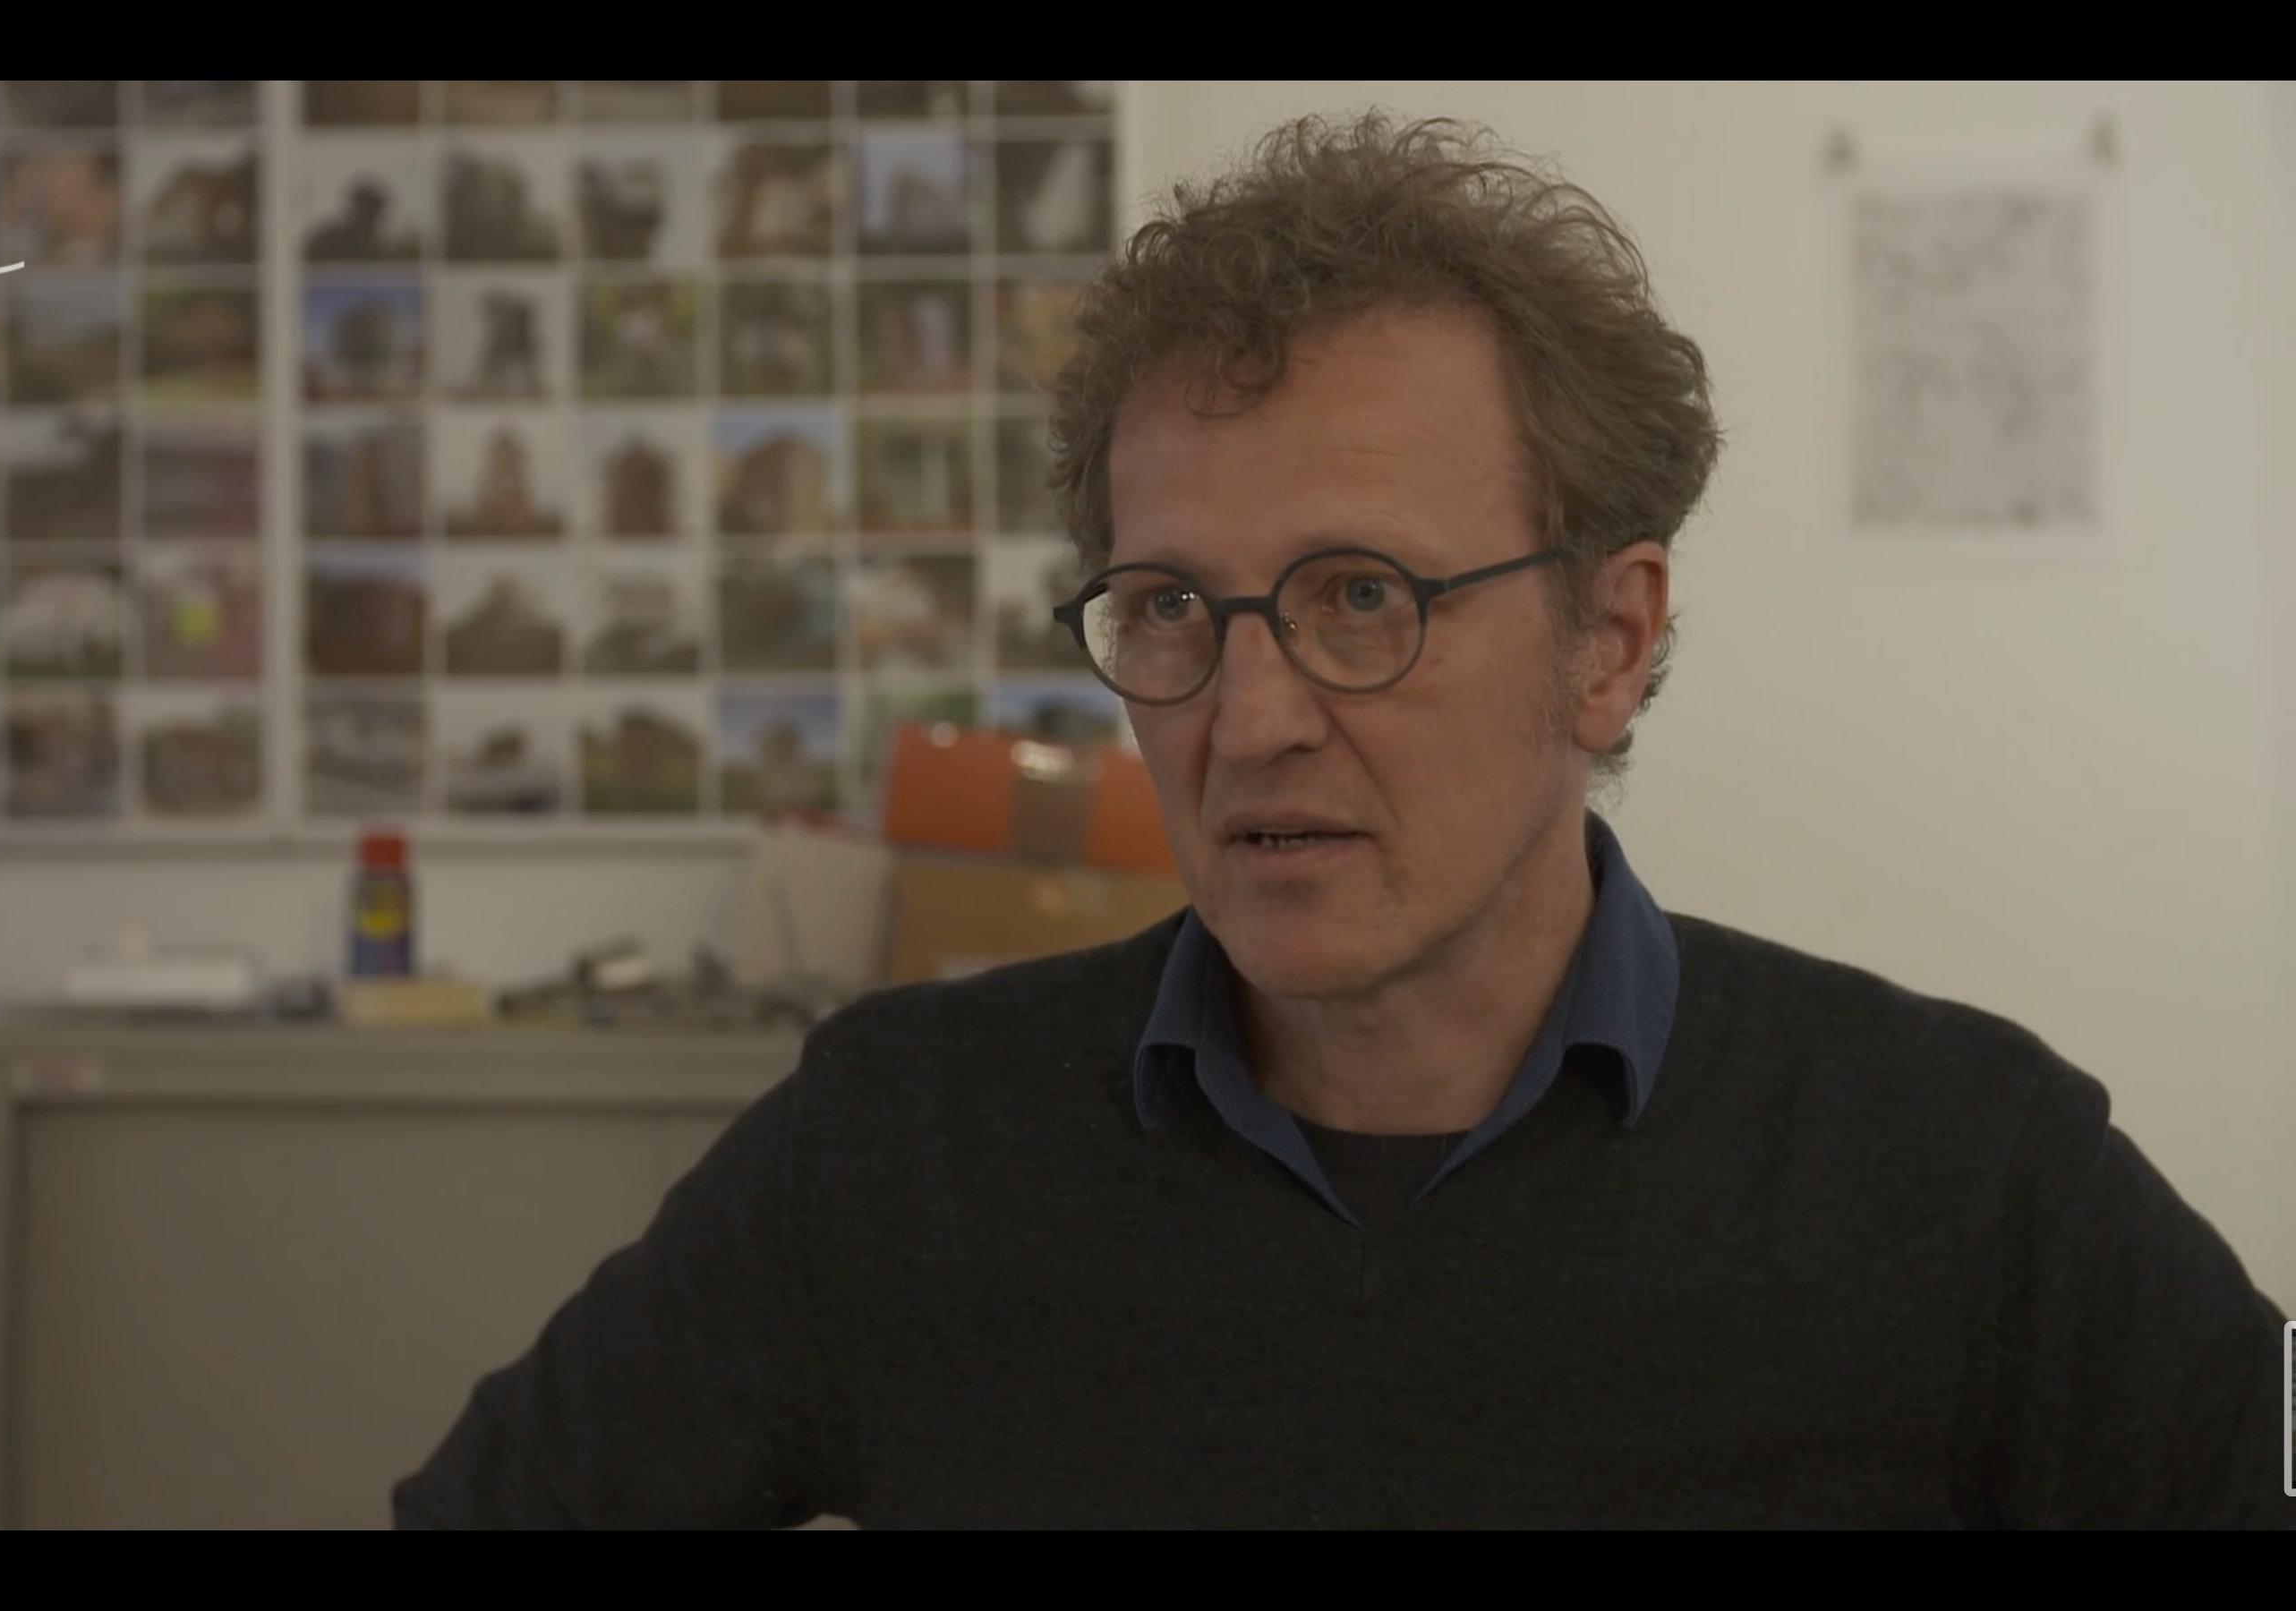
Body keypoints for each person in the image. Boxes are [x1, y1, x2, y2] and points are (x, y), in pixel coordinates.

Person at [395, 112, 2293, 1529]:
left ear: (1609, 641)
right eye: (1170, 608)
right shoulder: (897, 1151)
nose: (1250, 718)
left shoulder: (1959, 1171)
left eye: (1363, 596)